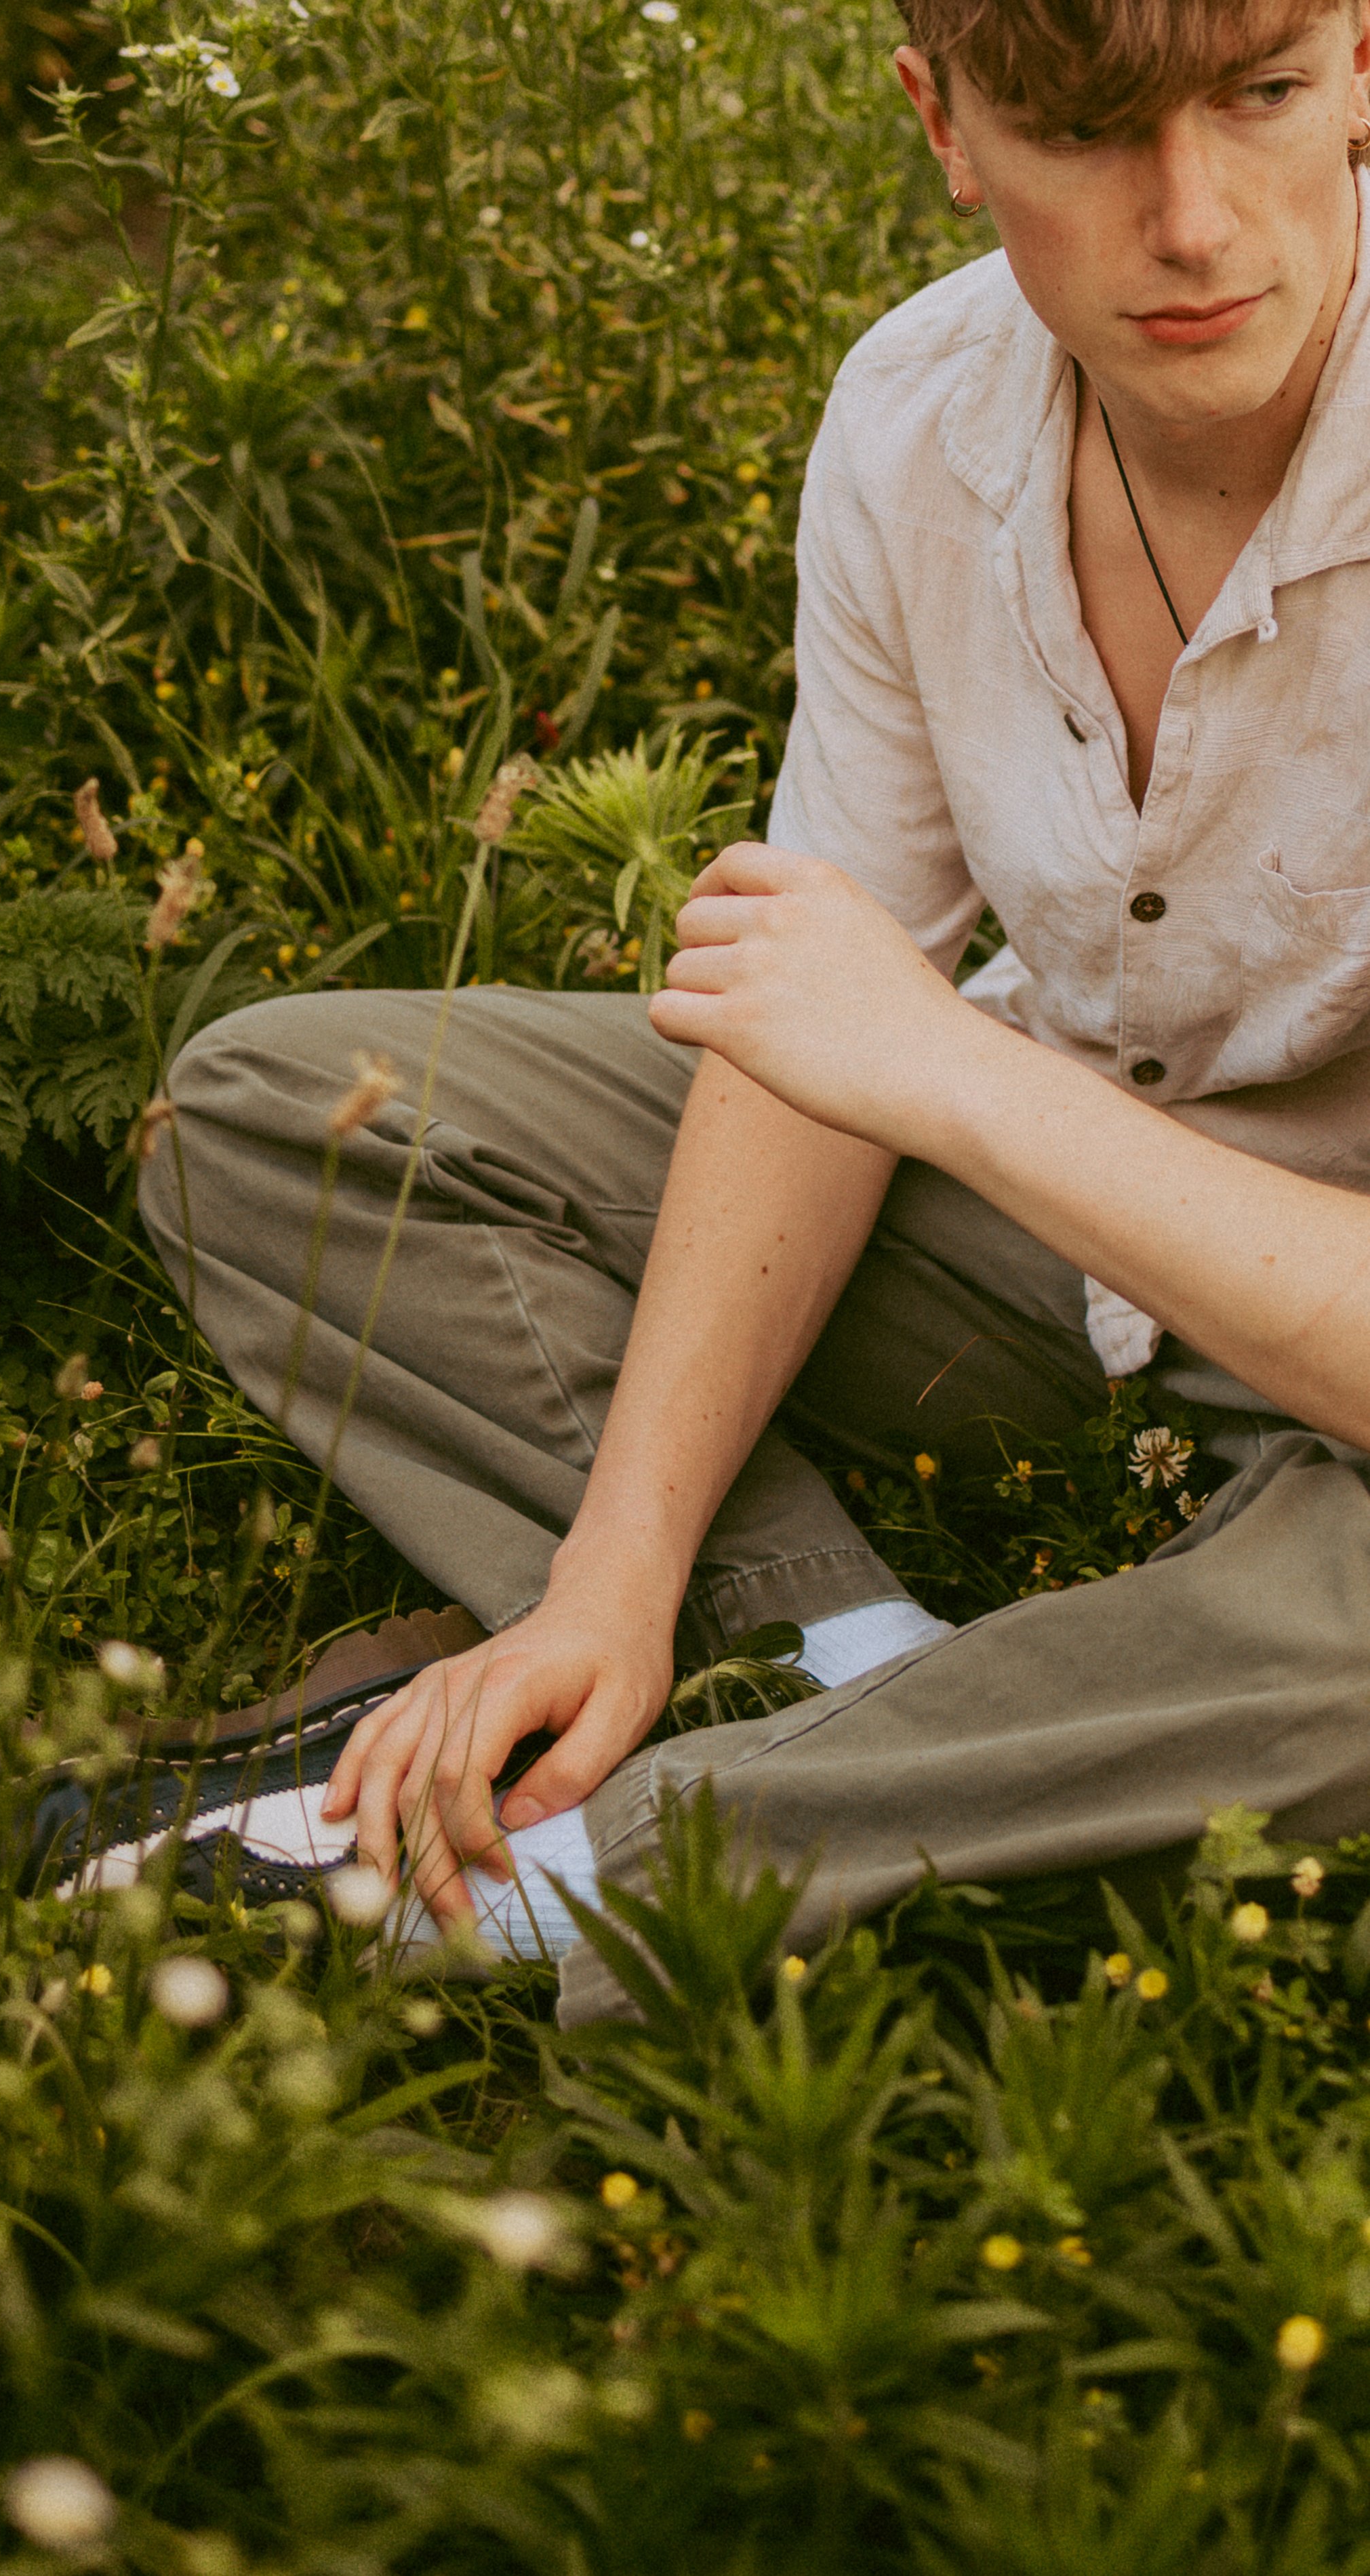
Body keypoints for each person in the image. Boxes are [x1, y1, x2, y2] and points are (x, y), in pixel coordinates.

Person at [138, 0, 1370, 2022]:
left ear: (1355, 64)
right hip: (1049, 1270)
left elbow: (893, 1047)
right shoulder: (921, 415)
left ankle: (588, 1872)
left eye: (1256, 99)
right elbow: (816, 1040)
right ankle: (831, 1650)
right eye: (1078, 127)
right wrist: (610, 1568)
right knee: (281, 1107)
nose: (1190, 219)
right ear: (940, 122)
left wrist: (954, 1073)